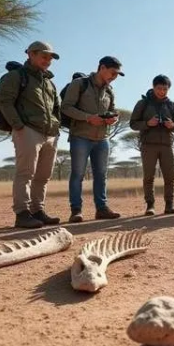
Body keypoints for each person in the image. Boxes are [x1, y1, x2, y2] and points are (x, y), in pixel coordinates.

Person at [0, 41, 63, 229]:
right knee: (25, 173)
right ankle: (22, 213)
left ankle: (37, 210)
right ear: (30, 54)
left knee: (43, 176)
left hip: (50, 134)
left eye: (50, 58)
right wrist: (18, 126)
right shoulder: (16, 76)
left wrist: (56, 128)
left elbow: (56, 108)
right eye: (44, 56)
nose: (48, 61)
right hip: (28, 131)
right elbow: (4, 101)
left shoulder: (49, 82)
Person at [60, 56, 124, 223]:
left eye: (117, 75)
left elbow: (113, 109)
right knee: (78, 174)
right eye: (112, 73)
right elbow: (65, 107)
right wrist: (88, 118)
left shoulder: (109, 90)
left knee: (101, 175)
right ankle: (76, 211)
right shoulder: (79, 84)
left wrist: (113, 118)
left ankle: (102, 209)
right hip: (80, 136)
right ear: (102, 68)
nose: (114, 77)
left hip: (102, 138)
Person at [129, 74, 174, 215]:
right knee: (149, 177)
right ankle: (150, 205)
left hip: (167, 144)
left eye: (165, 89)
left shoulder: (171, 105)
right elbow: (133, 124)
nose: (162, 92)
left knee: (170, 177)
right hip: (148, 144)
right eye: (159, 88)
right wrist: (147, 123)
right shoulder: (143, 103)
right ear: (153, 87)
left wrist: (172, 126)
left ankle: (169, 205)